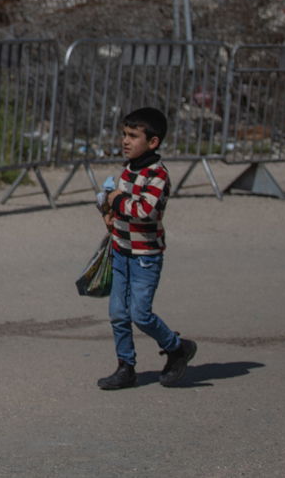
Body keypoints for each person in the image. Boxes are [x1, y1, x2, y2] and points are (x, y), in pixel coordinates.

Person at [96, 106, 198, 390]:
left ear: (153, 142)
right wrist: (108, 212)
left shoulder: (158, 175)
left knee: (140, 314)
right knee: (118, 313)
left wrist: (116, 199)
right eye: (124, 135)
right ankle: (125, 367)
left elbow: (144, 211)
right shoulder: (128, 170)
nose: (125, 141)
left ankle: (177, 347)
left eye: (132, 136)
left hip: (145, 258)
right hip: (120, 251)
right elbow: (121, 208)